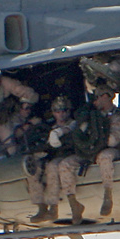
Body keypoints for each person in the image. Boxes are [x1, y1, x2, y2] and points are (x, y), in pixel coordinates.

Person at [48, 87, 120, 224]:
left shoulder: (116, 117)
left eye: (97, 98)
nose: (95, 102)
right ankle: (74, 205)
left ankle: (107, 196)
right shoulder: (91, 115)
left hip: (109, 150)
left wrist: (98, 129)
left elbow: (112, 141)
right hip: (90, 151)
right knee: (65, 164)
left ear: (106, 96)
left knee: (105, 157)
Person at [24, 95, 75, 223]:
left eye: (64, 111)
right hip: (50, 155)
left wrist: (58, 134)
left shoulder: (73, 124)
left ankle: (53, 207)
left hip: (66, 156)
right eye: (58, 111)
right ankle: (41, 207)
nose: (61, 114)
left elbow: (69, 130)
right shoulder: (49, 127)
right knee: (33, 169)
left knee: (53, 167)